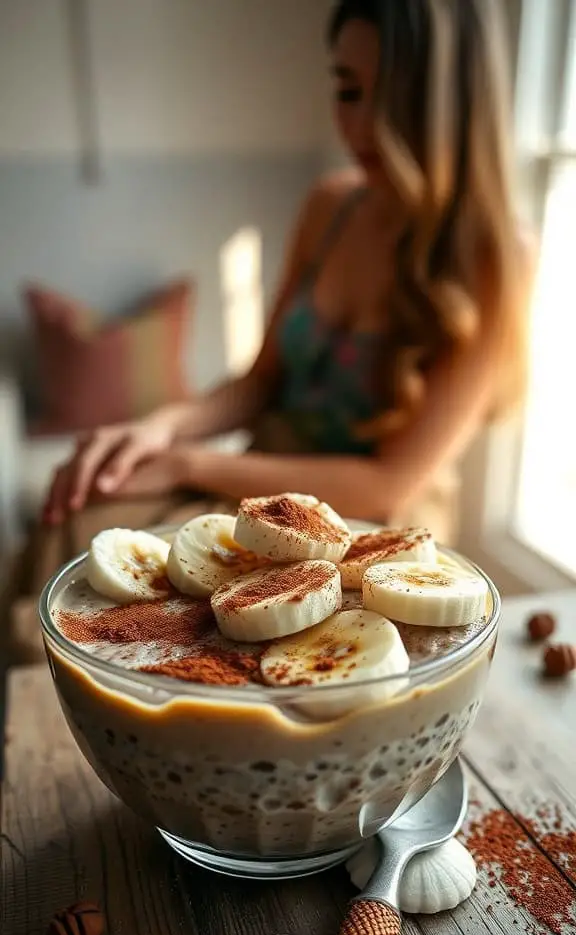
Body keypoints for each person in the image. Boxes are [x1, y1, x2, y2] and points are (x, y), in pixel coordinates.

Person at [42, 0, 532, 538]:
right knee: (76, 520)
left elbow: (387, 487)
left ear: (454, 104)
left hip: (367, 528)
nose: (361, 126)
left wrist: (188, 462)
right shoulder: (331, 207)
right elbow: (261, 382)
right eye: (347, 91)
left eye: (393, 96)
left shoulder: (495, 258)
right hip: (259, 481)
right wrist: (162, 428)